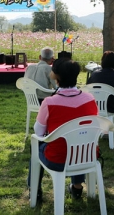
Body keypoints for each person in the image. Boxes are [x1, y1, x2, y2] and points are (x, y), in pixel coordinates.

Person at [30, 58, 98, 201]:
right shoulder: (90, 99)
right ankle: (77, 187)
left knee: (36, 145)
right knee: (79, 141)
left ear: (56, 76)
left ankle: (34, 189)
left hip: (58, 158)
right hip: (87, 156)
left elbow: (38, 132)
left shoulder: (49, 102)